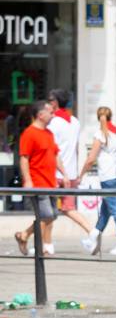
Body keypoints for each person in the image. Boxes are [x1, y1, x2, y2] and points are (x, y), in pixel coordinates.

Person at [79, 106, 116, 256]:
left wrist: (80, 175)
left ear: (99, 118)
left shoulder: (100, 134)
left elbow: (91, 159)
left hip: (108, 176)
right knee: (106, 209)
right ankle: (94, 238)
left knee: (115, 208)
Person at [46, 89, 96, 239]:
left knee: (46, 212)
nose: (48, 103)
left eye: (50, 100)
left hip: (54, 173)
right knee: (67, 209)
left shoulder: (52, 123)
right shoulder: (75, 121)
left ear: (55, 103)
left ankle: (45, 246)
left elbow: (51, 150)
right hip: (71, 173)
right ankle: (91, 231)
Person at [14, 100, 58, 256]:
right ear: (40, 115)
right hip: (38, 182)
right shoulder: (29, 133)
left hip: (51, 182)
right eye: (50, 112)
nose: (53, 115)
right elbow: (24, 158)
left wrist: (64, 174)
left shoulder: (49, 133)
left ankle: (24, 235)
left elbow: (55, 155)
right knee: (45, 216)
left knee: (52, 216)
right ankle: (41, 249)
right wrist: (28, 180)